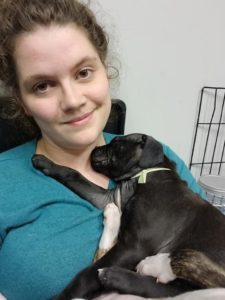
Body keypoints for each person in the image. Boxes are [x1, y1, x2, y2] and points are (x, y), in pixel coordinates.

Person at [0, 1, 205, 299]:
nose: (72, 100)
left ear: (104, 69)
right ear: (21, 100)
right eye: (43, 85)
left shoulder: (160, 159)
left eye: (83, 72)